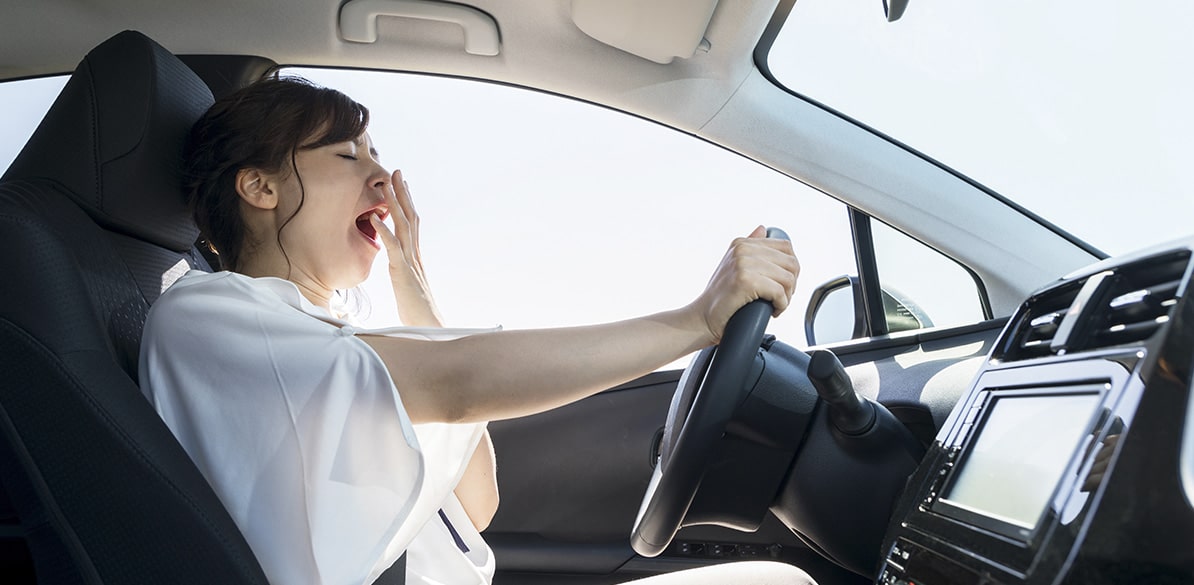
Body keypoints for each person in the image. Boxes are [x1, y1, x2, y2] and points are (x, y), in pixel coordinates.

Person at [139, 77, 812, 585]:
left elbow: (477, 500)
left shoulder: (324, 337)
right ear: (260, 187)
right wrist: (695, 320)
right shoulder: (205, 315)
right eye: (346, 156)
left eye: (377, 153)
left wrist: (416, 289)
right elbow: (457, 382)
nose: (383, 176)